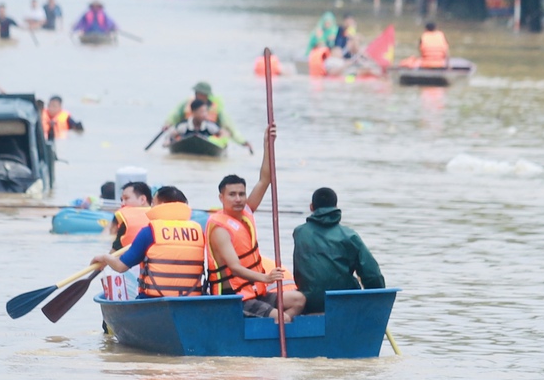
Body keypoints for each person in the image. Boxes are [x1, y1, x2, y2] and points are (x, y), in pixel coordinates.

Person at [204, 132, 305, 319]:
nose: (238, 199)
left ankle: (267, 331)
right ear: (221, 198)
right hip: (234, 297)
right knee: (282, 318)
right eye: (232, 194)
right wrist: (266, 278)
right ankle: (272, 333)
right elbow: (234, 268)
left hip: (255, 291)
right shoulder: (219, 228)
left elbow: (264, 180)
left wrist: (267, 143)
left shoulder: (246, 213)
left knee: (299, 300)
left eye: (241, 194)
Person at [92, 183, 209, 298]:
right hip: (191, 299)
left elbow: (120, 266)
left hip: (153, 299)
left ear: (162, 205)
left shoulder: (150, 231)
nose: (151, 207)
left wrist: (104, 258)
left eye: (153, 203)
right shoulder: (198, 230)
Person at [290, 186, 386, 313]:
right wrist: (377, 300)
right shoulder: (349, 236)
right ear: (336, 207)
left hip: (309, 302)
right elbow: (372, 274)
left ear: (311, 207)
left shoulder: (299, 233)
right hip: (344, 301)